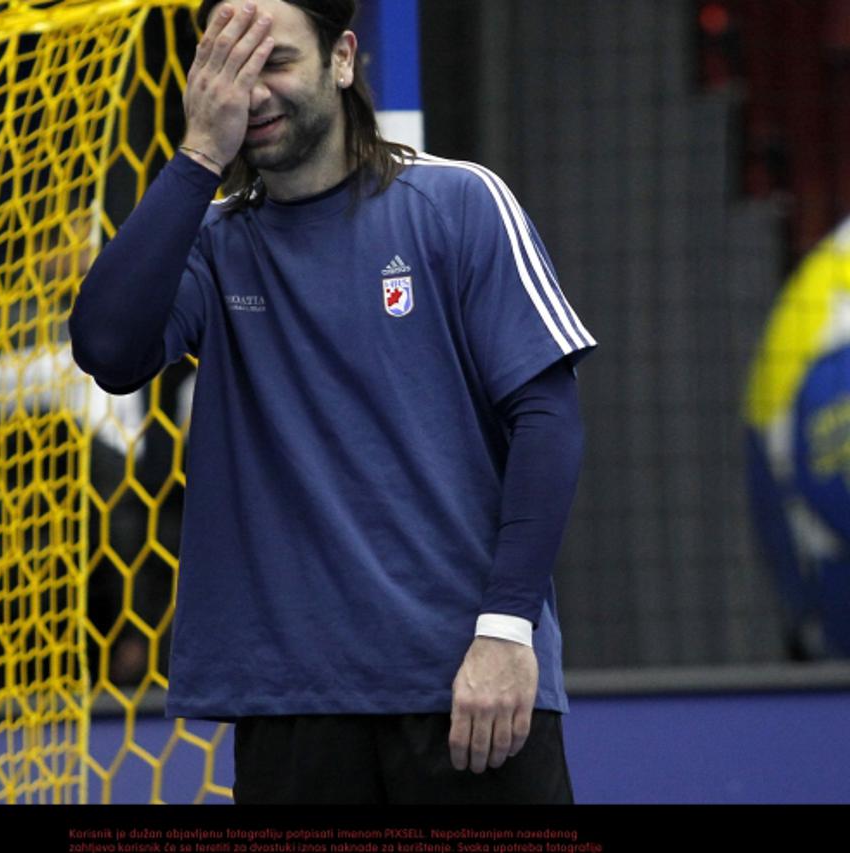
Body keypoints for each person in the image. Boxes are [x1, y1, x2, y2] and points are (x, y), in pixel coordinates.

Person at [69, 0, 595, 804]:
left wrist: (506, 630)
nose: (253, 93)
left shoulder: (458, 204)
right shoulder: (212, 244)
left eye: (274, 61)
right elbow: (106, 349)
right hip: (291, 710)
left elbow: (549, 420)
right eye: (228, 70)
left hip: (465, 692)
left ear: (342, 59)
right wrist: (198, 153)